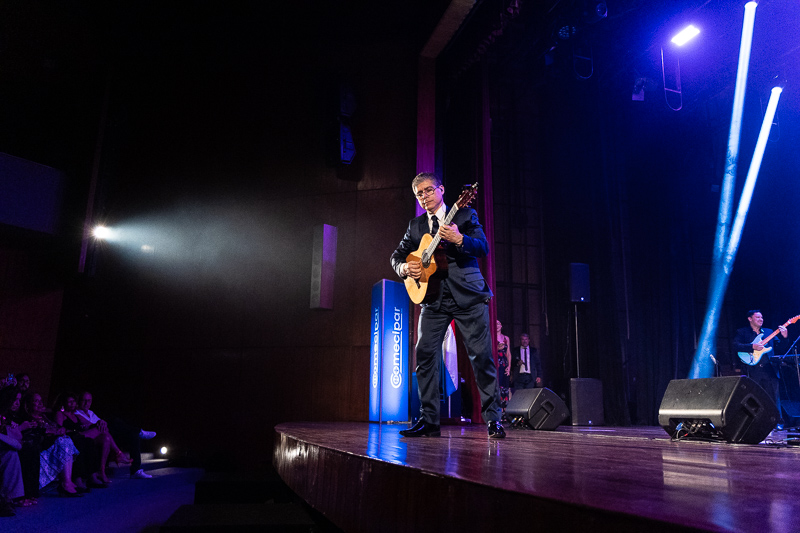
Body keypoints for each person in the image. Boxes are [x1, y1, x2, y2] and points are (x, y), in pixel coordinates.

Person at [391, 172, 504, 438]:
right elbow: (397, 256)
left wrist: (460, 239)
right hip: (433, 299)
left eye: (429, 190)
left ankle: (493, 419)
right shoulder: (415, 226)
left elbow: (483, 247)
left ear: (441, 189)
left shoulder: (465, 215)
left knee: (482, 358)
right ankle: (429, 421)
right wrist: (405, 267)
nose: (424, 197)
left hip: (468, 296)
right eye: (419, 194)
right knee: (425, 357)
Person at [76, 391, 155, 479]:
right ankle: (138, 432)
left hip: (108, 436)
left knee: (133, 435)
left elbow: (102, 424)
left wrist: (102, 422)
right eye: (84, 400)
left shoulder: (91, 413)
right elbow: (92, 425)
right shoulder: (76, 413)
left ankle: (135, 470)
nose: (87, 403)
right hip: (95, 439)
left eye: (89, 400)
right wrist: (100, 422)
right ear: (79, 401)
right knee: (113, 421)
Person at [733, 310, 787, 428]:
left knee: (774, 396)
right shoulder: (743, 332)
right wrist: (752, 346)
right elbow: (735, 345)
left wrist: (784, 337)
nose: (761, 319)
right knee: (755, 396)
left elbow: (780, 347)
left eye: (762, 317)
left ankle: (777, 421)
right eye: (757, 317)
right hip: (753, 369)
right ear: (750, 319)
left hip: (769, 369)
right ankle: (757, 422)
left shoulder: (769, 332)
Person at [496, 320, 511, 409]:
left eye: (498, 324)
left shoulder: (506, 338)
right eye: (495, 324)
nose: (497, 325)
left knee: (505, 387)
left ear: (501, 326)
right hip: (496, 364)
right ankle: (498, 410)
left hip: (504, 364)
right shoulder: (492, 337)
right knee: (498, 386)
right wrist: (497, 348)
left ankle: (505, 410)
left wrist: (509, 366)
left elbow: (508, 353)